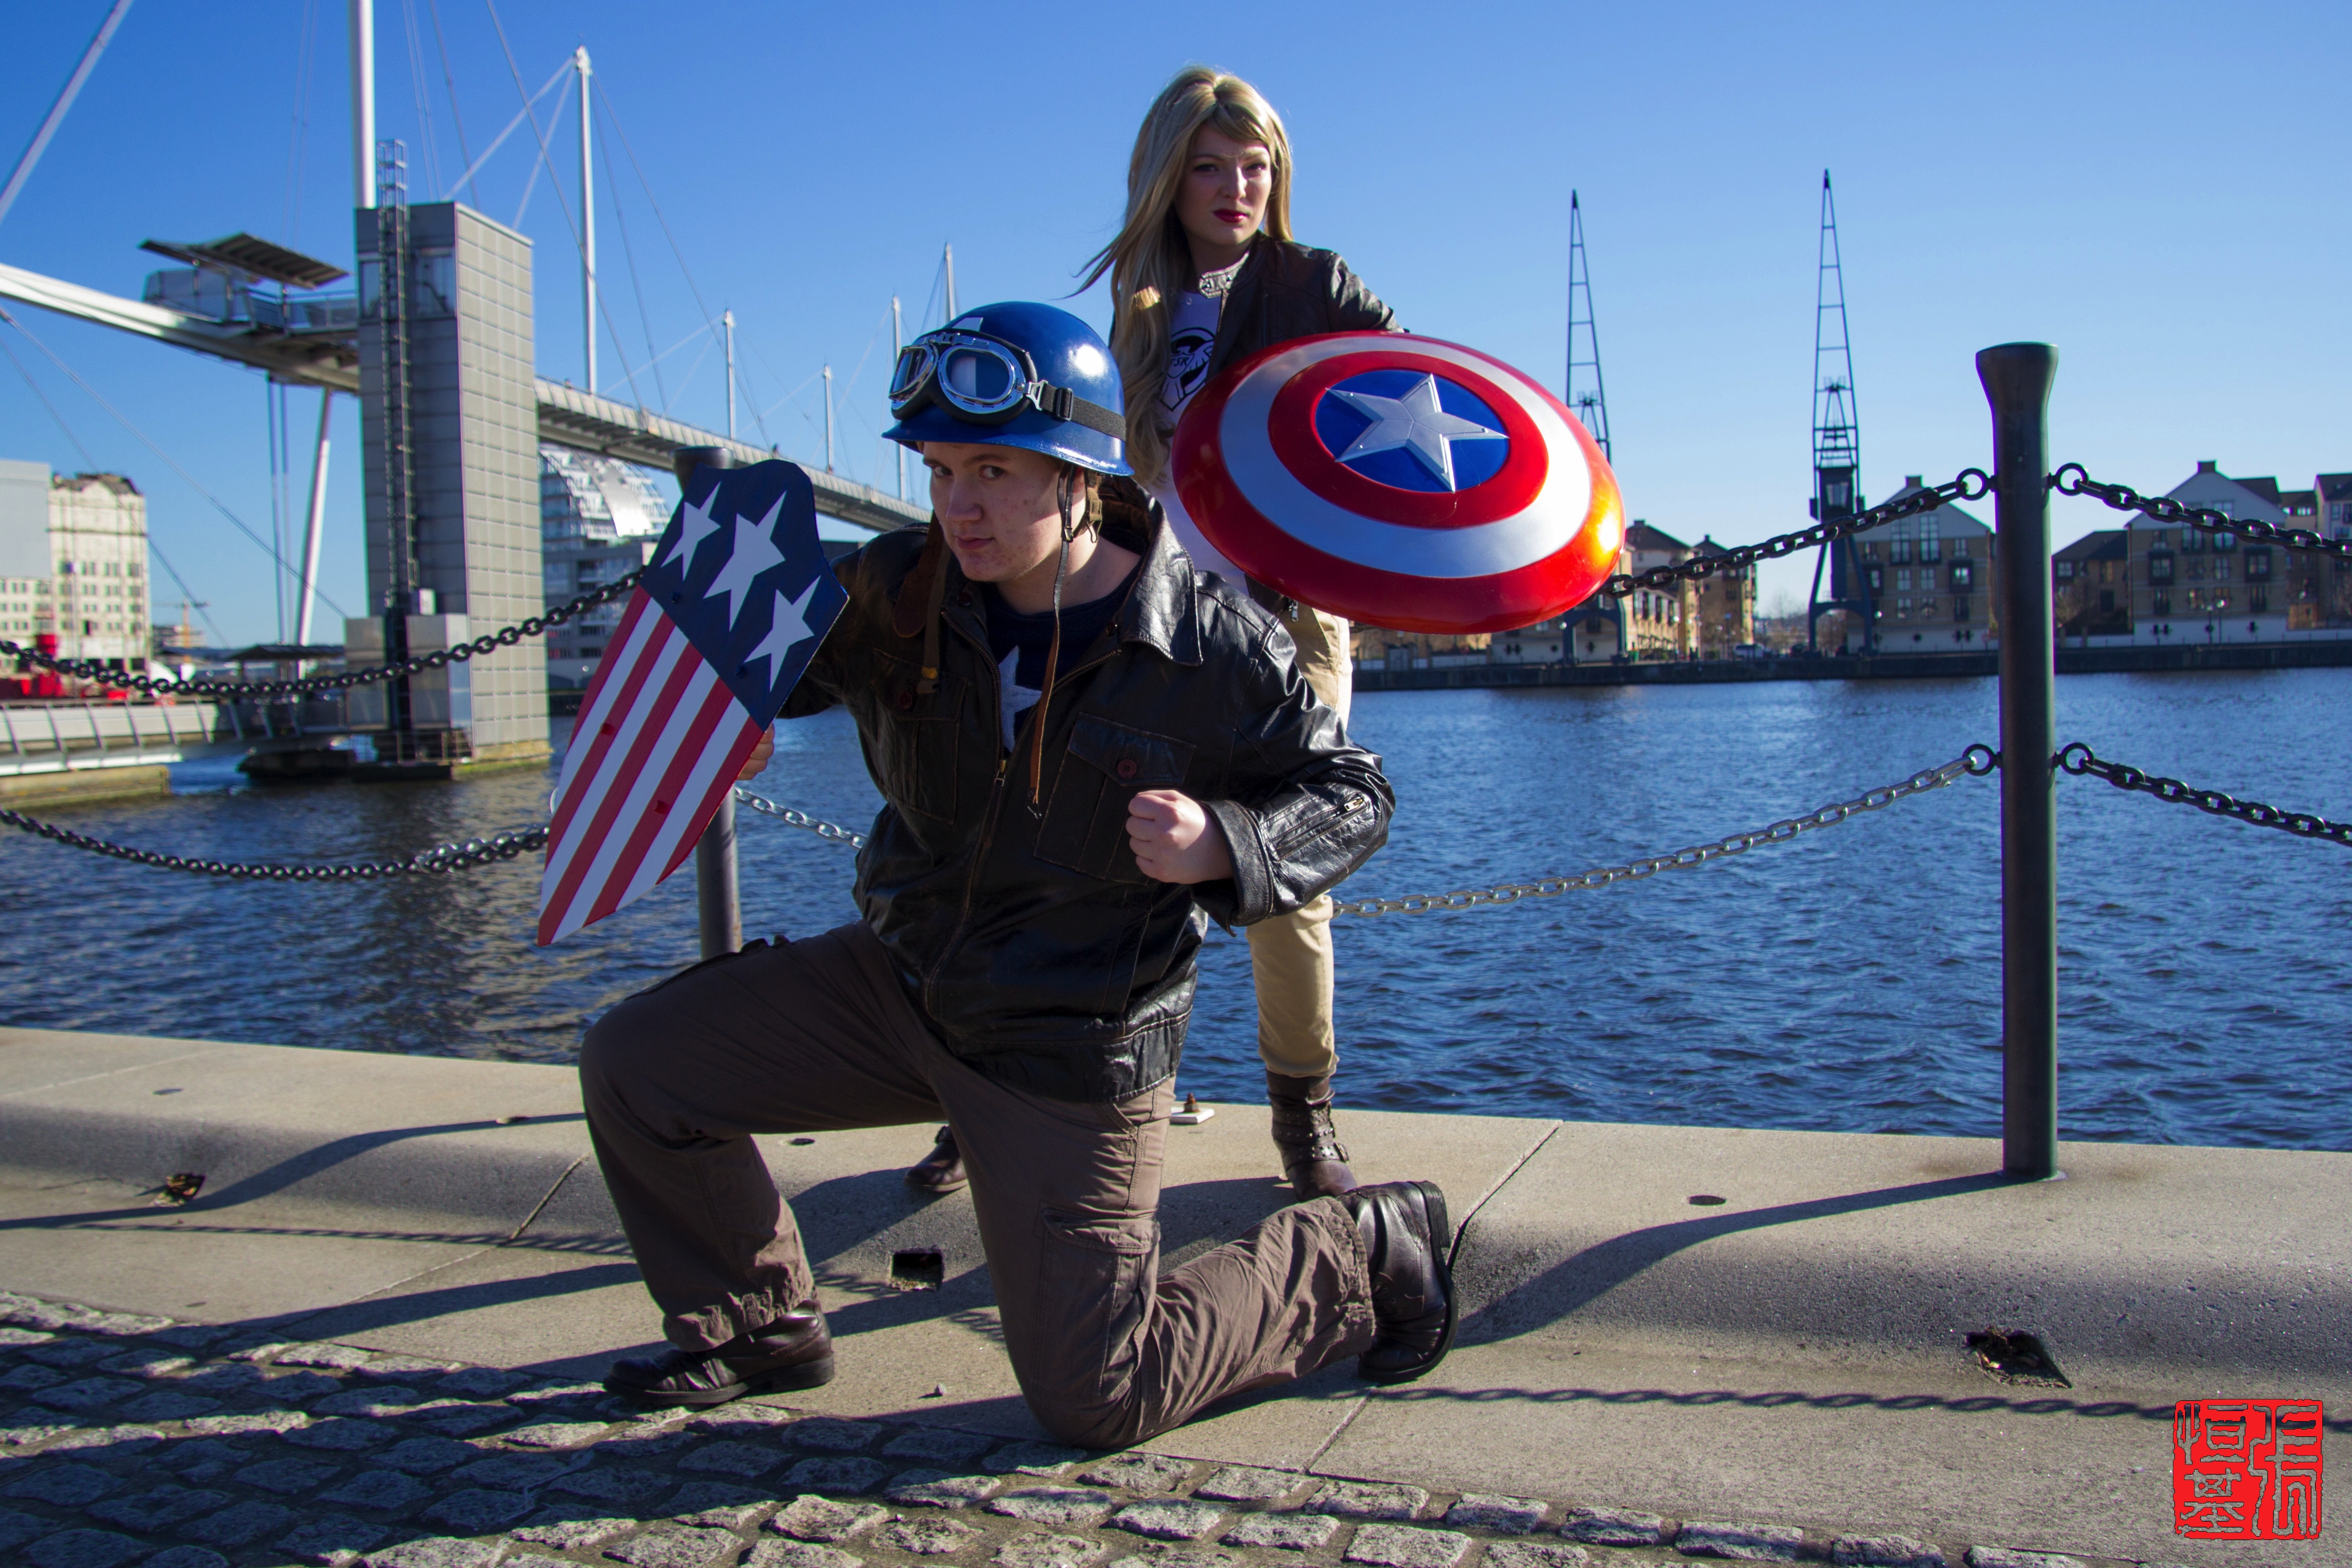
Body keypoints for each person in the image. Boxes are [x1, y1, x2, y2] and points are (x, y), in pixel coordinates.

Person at [581, 302, 1456, 1444]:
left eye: (993, 472)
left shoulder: (1207, 644)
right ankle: (756, 1322)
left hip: (1070, 1039)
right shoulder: (894, 588)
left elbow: (1351, 793)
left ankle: (1363, 1249)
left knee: (1099, 1392)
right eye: (941, 472)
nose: (958, 507)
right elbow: (769, 672)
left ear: (1080, 479)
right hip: (900, 985)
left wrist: (1225, 842)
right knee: (637, 1065)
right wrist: (731, 721)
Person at [906, 67, 1397, 1206]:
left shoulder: (1311, 283)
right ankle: (985, 1098)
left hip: (1282, 624)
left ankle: (1302, 1113)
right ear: (1167, 178)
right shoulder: (1133, 310)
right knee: (1053, 855)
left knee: (1286, 876)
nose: (1237, 188)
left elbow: (1408, 401)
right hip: (1150, 623)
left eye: (1256, 167)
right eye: (1210, 166)